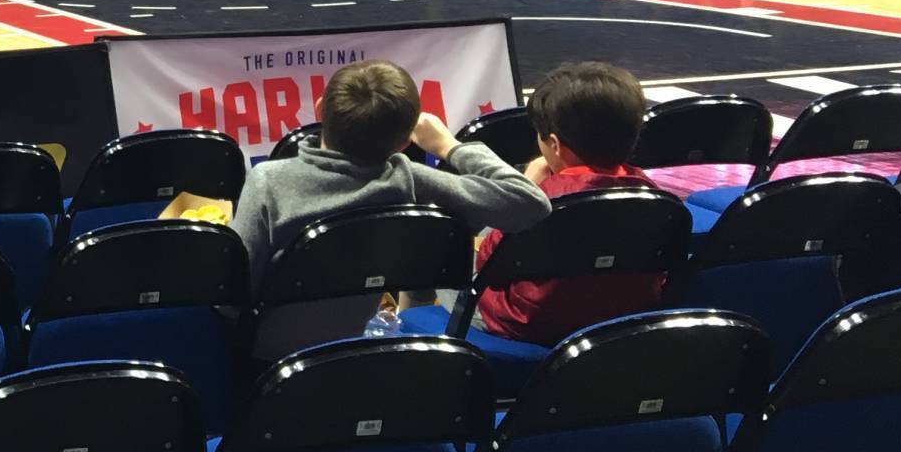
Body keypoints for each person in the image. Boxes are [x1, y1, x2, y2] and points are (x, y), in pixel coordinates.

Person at [229, 61, 550, 345]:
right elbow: (531, 204)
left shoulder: (268, 181)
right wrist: (450, 146)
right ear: (405, 140)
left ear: (318, 109)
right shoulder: (409, 179)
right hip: (352, 346)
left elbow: (232, 296)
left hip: (268, 360)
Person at [472, 62, 664, 345]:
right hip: (628, 316)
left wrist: (525, 188)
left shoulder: (542, 202)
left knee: (447, 261)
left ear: (555, 144)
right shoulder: (653, 195)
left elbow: (488, 260)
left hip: (531, 323)